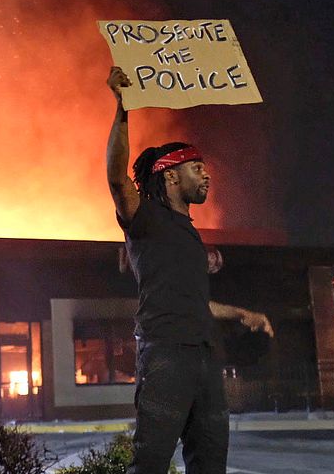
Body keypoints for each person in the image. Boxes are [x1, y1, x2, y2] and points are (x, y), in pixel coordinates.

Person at [106, 66, 274, 474]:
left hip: (203, 356)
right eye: (196, 168)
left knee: (211, 461)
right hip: (164, 354)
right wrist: (122, 107)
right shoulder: (145, 219)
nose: (207, 174)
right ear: (169, 175)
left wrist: (239, 313)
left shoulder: (190, 234)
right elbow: (116, 177)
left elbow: (193, 301)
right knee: (150, 461)